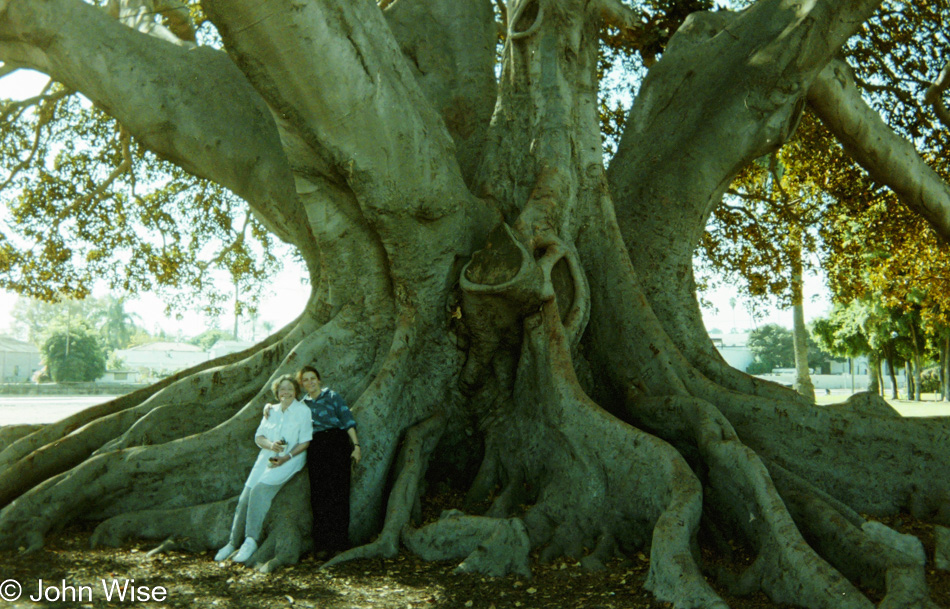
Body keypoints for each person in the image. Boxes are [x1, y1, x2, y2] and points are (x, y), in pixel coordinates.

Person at [215, 375, 313, 563]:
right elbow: (258, 437)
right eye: (282, 389)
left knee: (260, 492)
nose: (286, 392)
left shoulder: (303, 411)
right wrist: (270, 445)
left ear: (296, 392)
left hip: (290, 459)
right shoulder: (271, 411)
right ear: (277, 392)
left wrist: (285, 457)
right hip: (265, 458)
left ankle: (251, 540)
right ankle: (232, 542)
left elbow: (305, 441)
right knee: (245, 497)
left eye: (290, 389)